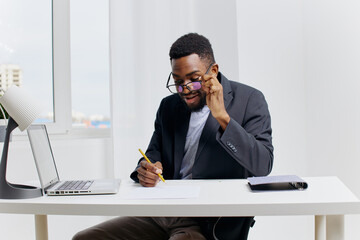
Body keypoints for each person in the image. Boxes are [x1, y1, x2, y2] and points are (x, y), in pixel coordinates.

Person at [73, 33, 273, 240]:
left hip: (210, 221)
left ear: (213, 71)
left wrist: (223, 118)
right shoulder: (169, 106)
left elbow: (262, 165)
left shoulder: (250, 100)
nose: (185, 89)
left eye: (194, 80)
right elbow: (153, 152)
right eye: (178, 82)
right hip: (163, 213)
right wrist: (146, 168)